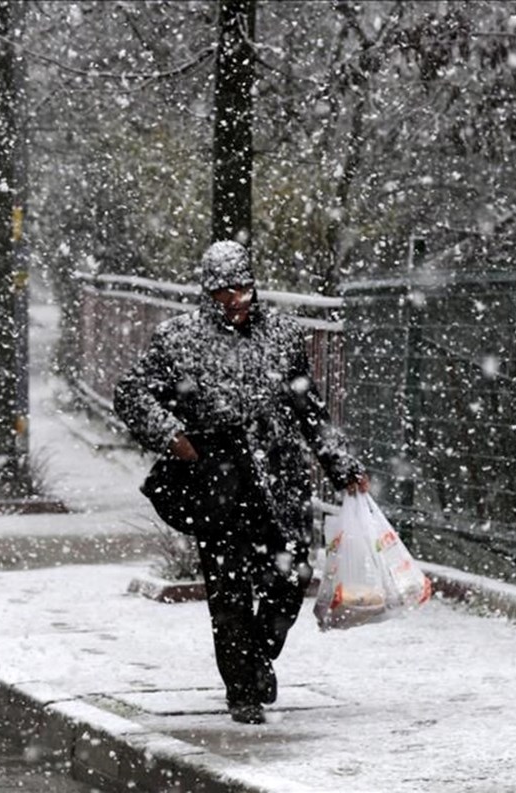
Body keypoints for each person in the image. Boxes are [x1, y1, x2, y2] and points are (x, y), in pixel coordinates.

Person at [114, 240, 368, 725]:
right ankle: (242, 690)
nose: (233, 299)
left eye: (241, 288)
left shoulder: (283, 336)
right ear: (206, 293)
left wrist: (341, 463)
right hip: (217, 479)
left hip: (277, 476)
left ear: (253, 287)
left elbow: (308, 409)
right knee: (228, 589)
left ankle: (258, 655)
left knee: (293, 575)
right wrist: (174, 437)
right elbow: (132, 394)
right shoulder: (177, 340)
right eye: (222, 291)